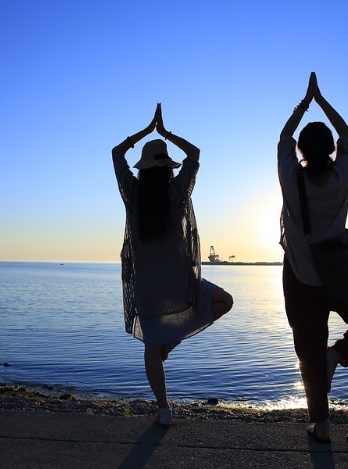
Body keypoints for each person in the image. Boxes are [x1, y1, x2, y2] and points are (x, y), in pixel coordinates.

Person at [278, 73, 348, 443]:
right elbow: (347, 136)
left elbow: (283, 139)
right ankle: (338, 355)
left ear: (301, 153)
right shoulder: (343, 173)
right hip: (340, 275)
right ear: (330, 150)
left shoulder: (291, 176)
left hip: (300, 278)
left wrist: (302, 104)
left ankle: (321, 426)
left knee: (308, 349)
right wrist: (322, 100)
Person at [113, 103, 234, 426]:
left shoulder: (132, 195)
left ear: (142, 170)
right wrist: (164, 132)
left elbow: (116, 153)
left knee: (153, 348)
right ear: (168, 169)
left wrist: (144, 132)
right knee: (225, 301)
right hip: (181, 285)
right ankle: (170, 343)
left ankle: (163, 409)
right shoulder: (177, 194)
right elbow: (194, 154)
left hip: (149, 289)